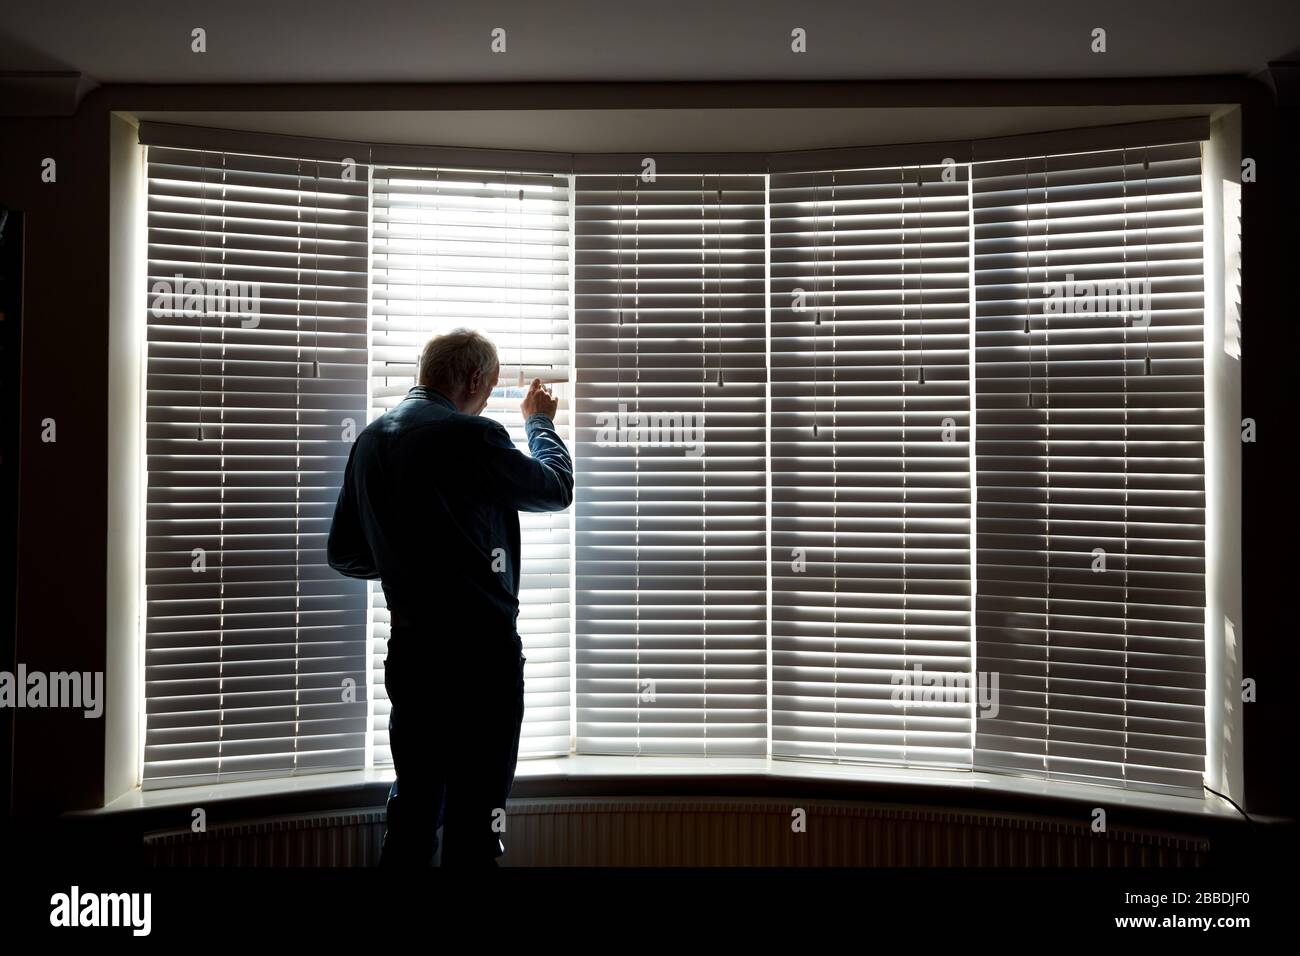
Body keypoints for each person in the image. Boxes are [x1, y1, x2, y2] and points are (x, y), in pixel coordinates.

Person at [326, 328, 573, 867]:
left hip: (413, 657)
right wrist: (539, 423)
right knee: (476, 825)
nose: (486, 400)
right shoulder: (472, 437)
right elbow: (555, 488)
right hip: (481, 661)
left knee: (414, 814)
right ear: (475, 378)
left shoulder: (369, 441)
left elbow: (343, 552)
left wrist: (408, 563)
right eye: (489, 389)